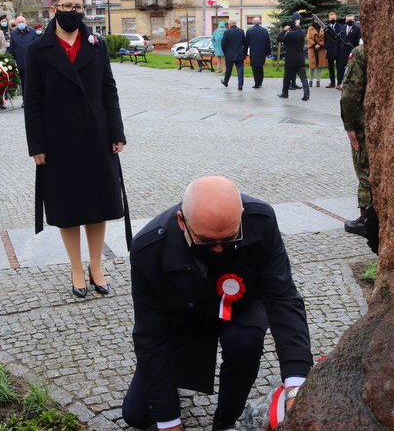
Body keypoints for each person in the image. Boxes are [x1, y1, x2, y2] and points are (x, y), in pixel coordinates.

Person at [122, 176, 313, 431]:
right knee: (137, 415)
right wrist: (169, 422)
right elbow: (151, 334)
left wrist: (296, 386)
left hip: (241, 307)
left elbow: (283, 298)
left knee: (246, 342)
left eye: (230, 239)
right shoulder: (148, 249)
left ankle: (225, 420)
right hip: (184, 320)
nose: (220, 250)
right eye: (207, 241)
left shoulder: (261, 220)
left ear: (242, 215)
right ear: (182, 221)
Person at [24, 0, 128, 299]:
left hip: (96, 137)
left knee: (98, 206)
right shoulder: (37, 50)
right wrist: (37, 145)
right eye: (67, 6)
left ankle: (96, 266)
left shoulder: (96, 46)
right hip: (59, 142)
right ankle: (76, 268)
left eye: (78, 7)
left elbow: (109, 90)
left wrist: (117, 132)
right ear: (54, 9)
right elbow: (33, 101)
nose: (73, 12)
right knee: (69, 208)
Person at [340, 45, 369, 237]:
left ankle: (366, 217)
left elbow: (350, 92)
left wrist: (349, 125)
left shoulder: (361, 51)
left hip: (364, 120)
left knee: (365, 165)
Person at [277, 13, 310, 101]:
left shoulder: (290, 34)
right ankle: (306, 94)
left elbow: (279, 38)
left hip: (291, 59)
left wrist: (284, 30)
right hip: (300, 58)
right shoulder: (302, 32)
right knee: (303, 78)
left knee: (287, 77)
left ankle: (285, 93)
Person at [9, 15, 38, 108]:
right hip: (21, 62)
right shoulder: (13, 34)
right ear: (16, 24)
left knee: (33, 82)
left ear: (26, 23)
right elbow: (12, 49)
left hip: (32, 62)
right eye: (19, 22)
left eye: (22, 22)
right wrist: (12, 61)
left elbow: (37, 46)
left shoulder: (32, 32)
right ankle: (25, 100)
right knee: (24, 83)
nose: (21, 24)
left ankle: (34, 99)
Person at [220, 18, 247, 91]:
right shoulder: (241, 31)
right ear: (235, 23)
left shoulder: (227, 32)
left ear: (229, 24)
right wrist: (244, 52)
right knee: (240, 69)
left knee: (228, 68)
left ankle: (226, 81)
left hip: (229, 53)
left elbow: (223, 44)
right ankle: (240, 85)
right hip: (239, 53)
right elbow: (244, 42)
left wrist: (225, 52)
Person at [336, 14, 361, 91]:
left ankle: (349, 84)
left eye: (351, 20)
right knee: (340, 68)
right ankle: (339, 83)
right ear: (345, 21)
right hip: (342, 52)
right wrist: (336, 51)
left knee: (351, 69)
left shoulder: (357, 29)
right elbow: (338, 40)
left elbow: (358, 41)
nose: (349, 21)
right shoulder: (342, 28)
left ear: (354, 21)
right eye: (348, 20)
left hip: (351, 52)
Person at [246, 17, 271, 89]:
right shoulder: (264, 30)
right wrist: (268, 52)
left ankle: (256, 82)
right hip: (262, 51)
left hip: (254, 51)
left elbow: (247, 42)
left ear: (253, 23)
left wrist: (244, 52)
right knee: (260, 66)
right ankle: (260, 81)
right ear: (260, 22)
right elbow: (267, 42)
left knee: (255, 67)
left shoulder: (250, 31)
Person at [324, 12, 343, 89]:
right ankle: (332, 82)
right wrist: (327, 47)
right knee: (330, 67)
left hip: (338, 50)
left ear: (336, 19)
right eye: (331, 19)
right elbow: (325, 39)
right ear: (329, 19)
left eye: (334, 19)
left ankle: (339, 82)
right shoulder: (327, 27)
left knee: (339, 67)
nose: (333, 20)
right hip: (330, 49)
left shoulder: (340, 27)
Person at [306, 18, 327, 87]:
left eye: (317, 20)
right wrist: (314, 45)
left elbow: (324, 38)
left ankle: (318, 81)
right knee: (312, 65)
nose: (316, 22)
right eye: (315, 20)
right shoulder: (310, 28)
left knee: (319, 64)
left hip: (320, 48)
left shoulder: (323, 28)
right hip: (312, 48)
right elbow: (308, 38)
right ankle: (310, 81)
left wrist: (320, 44)